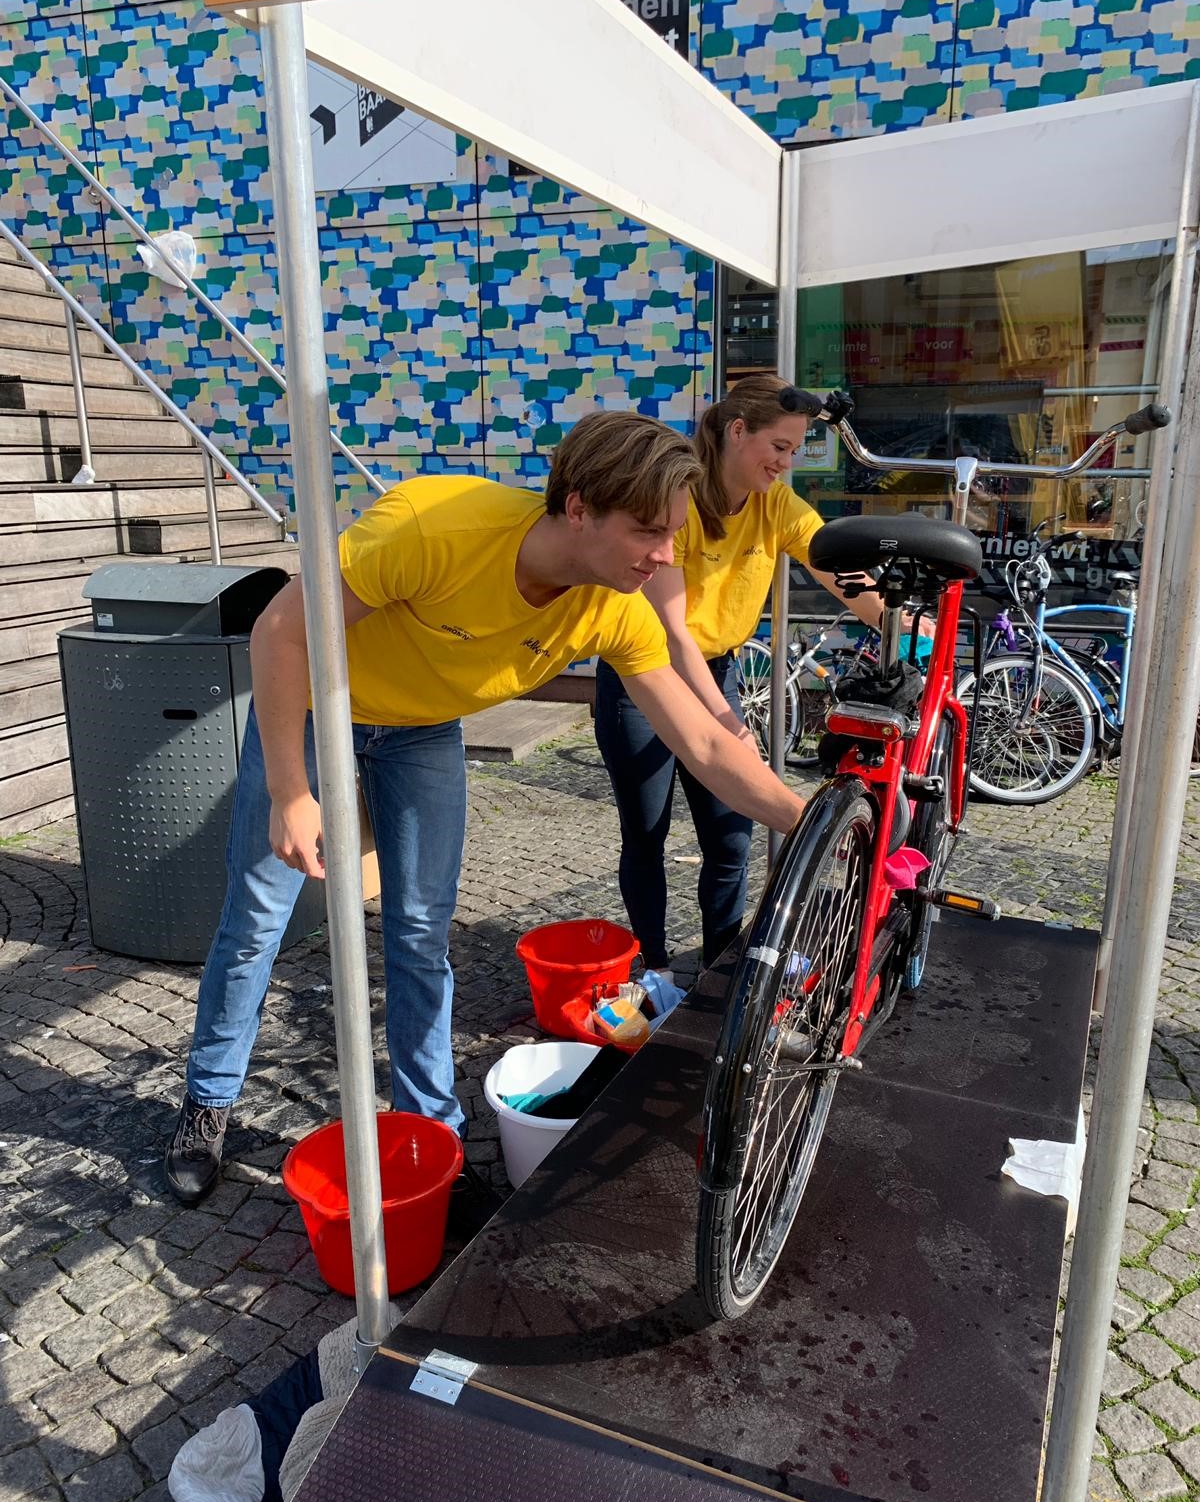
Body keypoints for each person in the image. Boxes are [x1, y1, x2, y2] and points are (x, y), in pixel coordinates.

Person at [164, 410, 806, 1216]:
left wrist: (809, 820)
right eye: (649, 531)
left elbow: (706, 746)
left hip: (422, 729)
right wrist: (292, 791)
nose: (665, 556)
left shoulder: (614, 607)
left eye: (673, 534)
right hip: (318, 705)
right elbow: (281, 632)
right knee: (259, 916)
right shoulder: (438, 527)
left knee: (420, 933)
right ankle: (207, 1101)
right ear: (579, 508)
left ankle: (430, 1133)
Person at [594, 374, 924, 979]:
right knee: (646, 833)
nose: (786, 462)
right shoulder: (679, 502)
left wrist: (898, 625)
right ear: (738, 431)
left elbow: (837, 570)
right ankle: (653, 967)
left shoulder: (776, 506)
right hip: (643, 678)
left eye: (794, 450)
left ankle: (723, 959)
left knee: (730, 835)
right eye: (779, 446)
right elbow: (673, 634)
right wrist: (730, 725)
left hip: (715, 670)